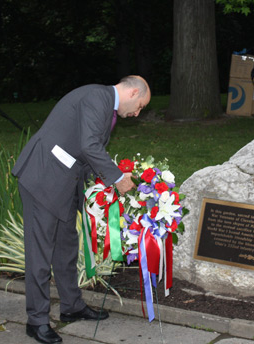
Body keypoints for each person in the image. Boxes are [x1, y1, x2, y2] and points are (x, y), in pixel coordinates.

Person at [12, 75, 151, 343]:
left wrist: (103, 183)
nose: (136, 113)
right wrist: (116, 178)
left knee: (65, 249)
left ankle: (71, 307)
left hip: (63, 184)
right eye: (141, 106)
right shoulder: (96, 97)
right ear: (134, 92)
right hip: (43, 179)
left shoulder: (101, 103)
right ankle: (37, 321)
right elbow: (89, 145)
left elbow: (83, 149)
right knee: (40, 256)